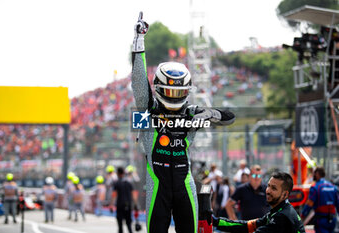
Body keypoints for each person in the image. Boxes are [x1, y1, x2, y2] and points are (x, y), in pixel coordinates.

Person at [131, 12, 235, 233]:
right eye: (168, 90)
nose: (172, 95)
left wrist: (208, 115)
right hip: (156, 185)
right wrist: (139, 41)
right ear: (158, 88)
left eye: (177, 91)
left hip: (184, 185)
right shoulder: (147, 110)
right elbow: (139, 82)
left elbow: (229, 116)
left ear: (186, 91)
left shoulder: (191, 112)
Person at [212, 172, 305, 233]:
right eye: (268, 186)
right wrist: (215, 221)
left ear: (285, 194)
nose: (268, 191)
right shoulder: (277, 211)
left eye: (274, 188)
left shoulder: (282, 216)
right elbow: (247, 226)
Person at [301, 166, 339, 233]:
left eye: (314, 174)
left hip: (321, 220)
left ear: (317, 174)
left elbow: (309, 204)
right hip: (333, 220)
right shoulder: (333, 187)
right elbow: (338, 204)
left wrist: (302, 216)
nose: (313, 176)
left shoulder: (315, 187)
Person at [111, 167, 139, 233]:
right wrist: (135, 205)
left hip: (120, 205)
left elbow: (114, 195)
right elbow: (134, 195)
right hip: (128, 204)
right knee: (128, 223)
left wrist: (111, 205)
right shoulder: (129, 183)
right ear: (123, 173)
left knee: (120, 224)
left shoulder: (117, 183)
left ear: (118, 173)